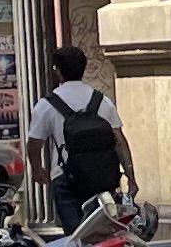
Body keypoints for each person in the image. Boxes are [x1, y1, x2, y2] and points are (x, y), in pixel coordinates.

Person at [24, 47, 132, 230]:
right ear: (84, 68)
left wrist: (37, 169)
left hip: (66, 179)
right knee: (104, 232)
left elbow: (34, 143)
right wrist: (130, 175)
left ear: (57, 70)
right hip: (103, 177)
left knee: (75, 237)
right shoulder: (103, 101)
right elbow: (119, 141)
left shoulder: (46, 106)